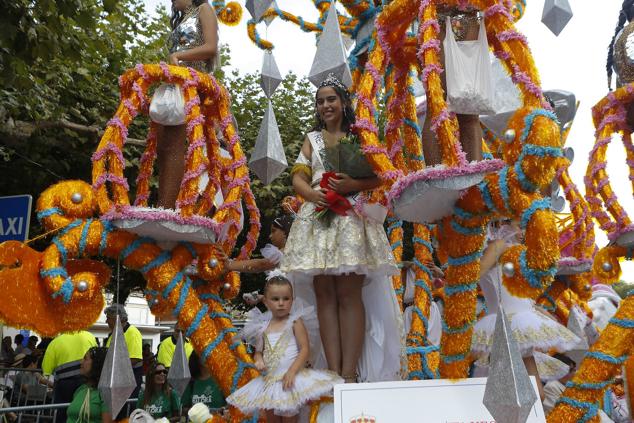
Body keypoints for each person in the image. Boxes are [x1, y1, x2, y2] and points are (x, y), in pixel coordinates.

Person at [280, 73, 403, 382]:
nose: (325, 105)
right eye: (320, 101)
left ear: (343, 102)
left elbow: (383, 173)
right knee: (324, 294)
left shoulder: (360, 135)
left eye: (331, 99)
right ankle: (332, 371)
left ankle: (350, 374)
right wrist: (310, 193)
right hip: (317, 219)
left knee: (349, 294)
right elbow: (298, 176)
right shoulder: (312, 139)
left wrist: (353, 184)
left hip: (349, 218)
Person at [471, 221, 581, 399]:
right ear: (503, 223)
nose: (522, 231)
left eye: (524, 226)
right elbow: (472, 275)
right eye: (518, 225)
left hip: (523, 322)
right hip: (504, 323)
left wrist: (538, 312)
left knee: (538, 394)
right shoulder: (498, 246)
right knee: (515, 394)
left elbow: (521, 294)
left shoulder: (517, 252)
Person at [226, 275, 343, 422]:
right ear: (266, 302)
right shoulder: (262, 326)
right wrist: (258, 360)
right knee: (271, 418)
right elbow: (258, 352)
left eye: (286, 299)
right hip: (269, 381)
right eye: (275, 299)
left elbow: (305, 349)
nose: (281, 303)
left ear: (292, 300)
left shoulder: (295, 322)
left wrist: (292, 371)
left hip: (290, 379)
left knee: (290, 418)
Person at [156, 0, 219, 209]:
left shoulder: (204, 9)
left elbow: (210, 47)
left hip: (193, 86)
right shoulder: (183, 18)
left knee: (174, 145)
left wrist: (178, 56)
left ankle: (167, 209)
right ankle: (163, 204)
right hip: (176, 85)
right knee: (164, 146)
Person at [421, 6, 484, 166]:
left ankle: (473, 185)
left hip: (470, 18)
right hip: (436, 19)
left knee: (470, 110)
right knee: (436, 106)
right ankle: (437, 182)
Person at [41, 331, 97, 423]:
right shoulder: (89, 336)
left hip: (64, 385)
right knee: (85, 409)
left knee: (61, 411)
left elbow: (46, 370)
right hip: (87, 382)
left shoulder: (55, 342)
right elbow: (96, 357)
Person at [104, 304, 143, 395]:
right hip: (116, 383)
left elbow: (134, 359)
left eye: (108, 318)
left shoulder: (132, 332)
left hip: (128, 385)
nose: (106, 321)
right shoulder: (113, 335)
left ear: (117, 319)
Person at [66, 347, 111, 423]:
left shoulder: (106, 393)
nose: (81, 362)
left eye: (85, 359)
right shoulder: (80, 389)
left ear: (97, 363)